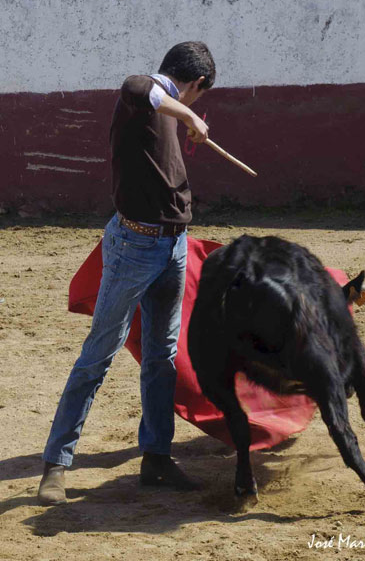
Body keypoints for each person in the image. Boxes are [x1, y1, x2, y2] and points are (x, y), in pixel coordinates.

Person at [38, 41, 216, 505]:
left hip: (171, 247)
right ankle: (56, 464)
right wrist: (189, 116)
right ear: (195, 84)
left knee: (161, 355)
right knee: (99, 353)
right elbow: (139, 84)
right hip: (135, 245)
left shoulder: (160, 108)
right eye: (198, 98)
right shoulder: (143, 95)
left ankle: (156, 458)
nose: (195, 109)